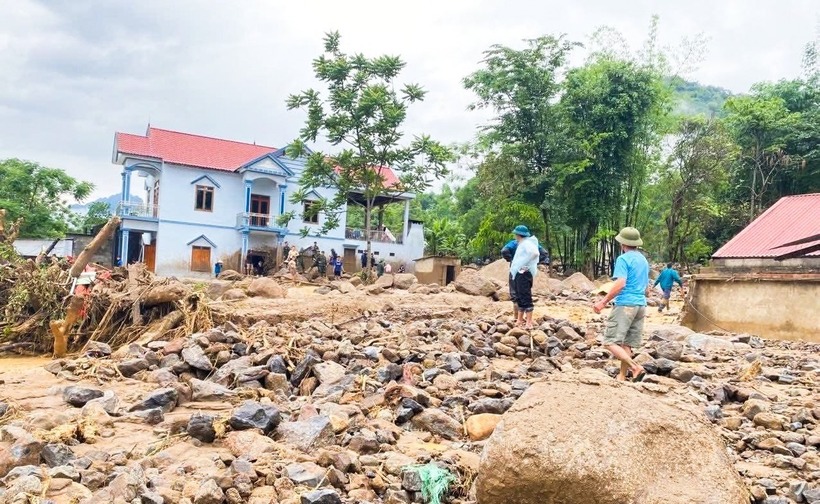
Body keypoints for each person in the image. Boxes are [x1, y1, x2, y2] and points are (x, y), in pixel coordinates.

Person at [593, 227, 650, 382]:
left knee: (609, 342)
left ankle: (635, 367)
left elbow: (621, 283)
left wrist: (603, 301)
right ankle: (622, 376)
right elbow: (647, 289)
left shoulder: (623, 259)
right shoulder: (643, 260)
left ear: (622, 243)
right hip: (641, 305)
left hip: (626, 304)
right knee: (627, 344)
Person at [501, 234, 550, 321]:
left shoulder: (514, 243)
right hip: (527, 271)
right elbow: (544, 253)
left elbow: (504, 251)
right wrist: (534, 262)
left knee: (515, 293)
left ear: (517, 235)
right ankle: (527, 320)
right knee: (525, 293)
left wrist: (511, 259)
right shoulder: (532, 244)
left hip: (515, 270)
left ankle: (517, 319)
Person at [509, 225, 540, 329]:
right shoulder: (522, 243)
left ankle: (529, 322)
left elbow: (535, 253)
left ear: (518, 235)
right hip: (520, 272)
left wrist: (524, 263)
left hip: (524, 273)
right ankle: (519, 320)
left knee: (525, 296)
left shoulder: (527, 243)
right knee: (519, 296)